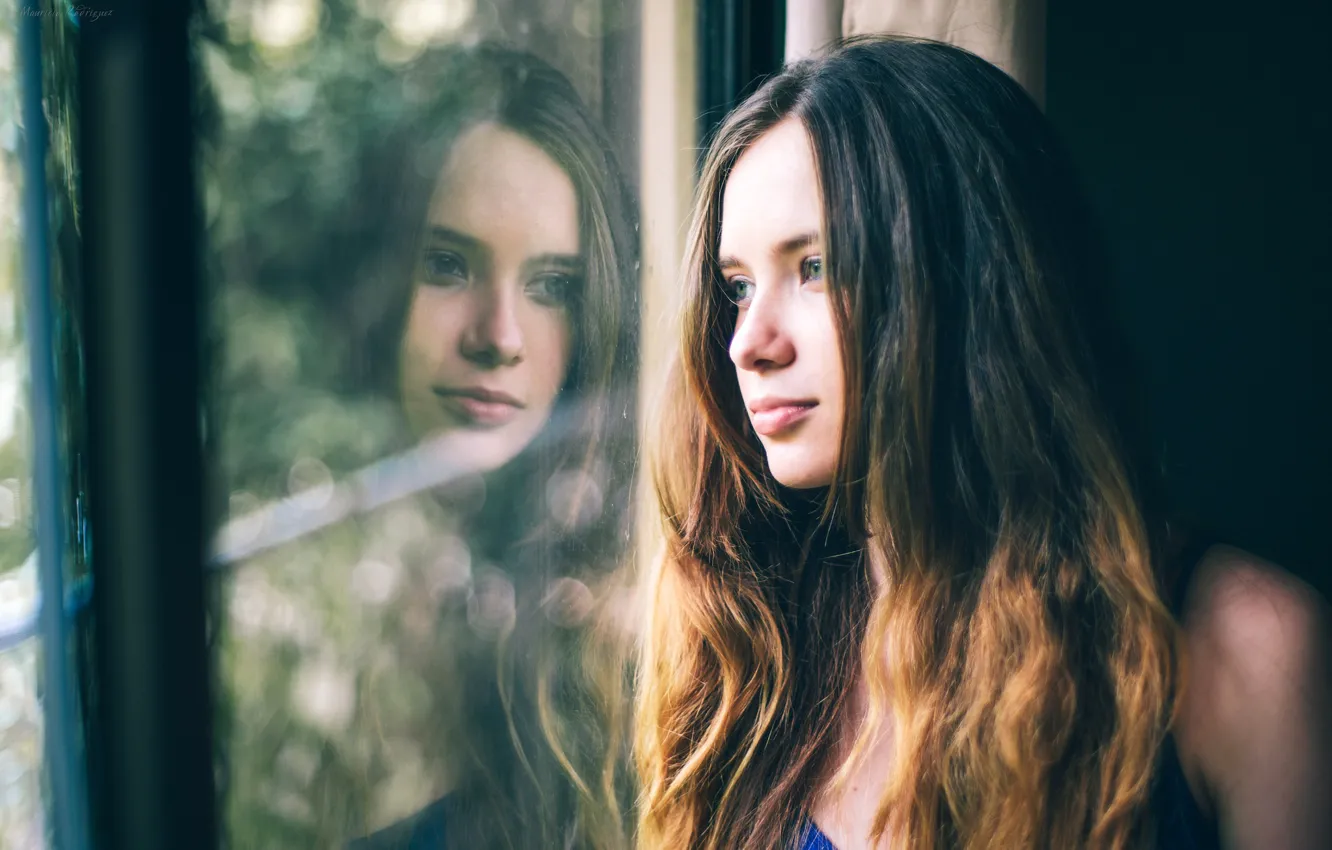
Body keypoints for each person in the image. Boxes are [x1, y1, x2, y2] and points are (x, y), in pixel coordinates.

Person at [634, 35, 1331, 850]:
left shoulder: (1244, 652)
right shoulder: (749, 650)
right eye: (738, 287)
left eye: (817, 266)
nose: (747, 342)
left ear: (966, 279)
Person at [297, 43, 639, 849]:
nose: (500, 337)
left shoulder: (631, 623)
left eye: (553, 286)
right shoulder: (299, 591)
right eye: (449, 265)